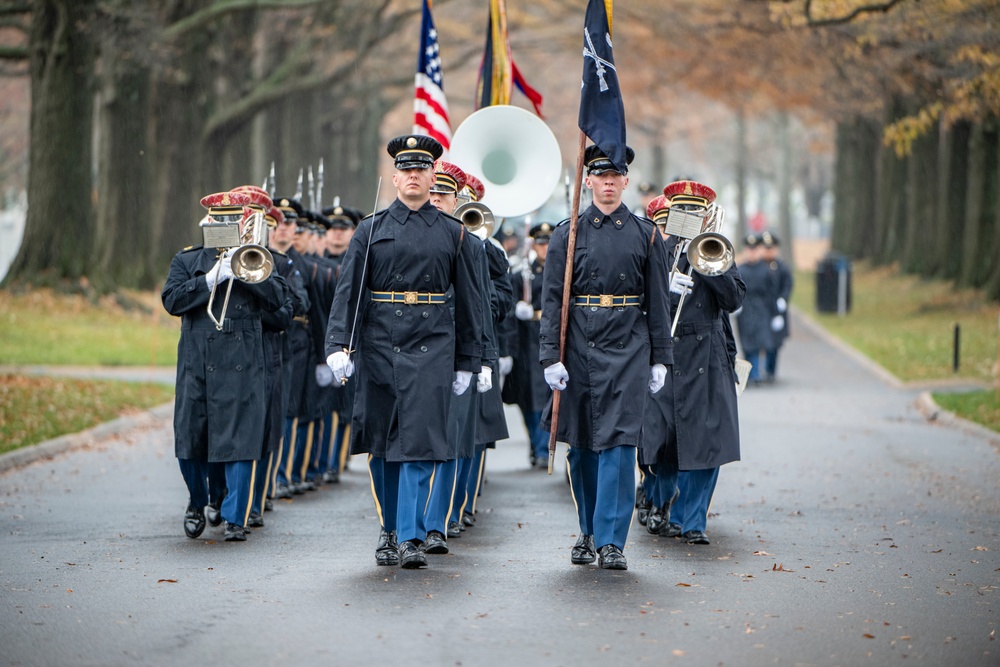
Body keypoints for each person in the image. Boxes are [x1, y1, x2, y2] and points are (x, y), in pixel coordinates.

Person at [325, 134, 483, 569]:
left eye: (422, 169)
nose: (413, 176)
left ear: (433, 176)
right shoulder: (370, 229)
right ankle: (389, 529)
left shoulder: (454, 234)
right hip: (379, 345)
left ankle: (411, 536)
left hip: (432, 346)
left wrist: (470, 360)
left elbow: (471, 302)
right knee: (382, 444)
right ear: (394, 177)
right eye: (406, 169)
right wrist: (339, 344)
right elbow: (349, 292)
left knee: (417, 444)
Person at [539, 144, 673, 571]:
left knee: (618, 446)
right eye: (601, 175)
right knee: (582, 450)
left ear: (626, 181)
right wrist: (549, 357)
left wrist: (660, 359)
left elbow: (658, 301)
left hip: (629, 347)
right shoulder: (567, 233)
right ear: (589, 180)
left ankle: (612, 541)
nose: (609, 182)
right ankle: (589, 531)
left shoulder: (646, 234)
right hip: (578, 348)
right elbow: (553, 300)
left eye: (616, 176)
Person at [162, 191, 288, 541]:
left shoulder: (259, 260)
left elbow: (280, 301)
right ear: (209, 223)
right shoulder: (187, 261)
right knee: (191, 439)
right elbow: (171, 299)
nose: (226, 226)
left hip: (243, 361)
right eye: (220, 220)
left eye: (234, 219)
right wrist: (210, 279)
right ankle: (198, 500)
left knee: (241, 441)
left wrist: (250, 272)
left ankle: (235, 516)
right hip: (199, 358)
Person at [639, 184, 745, 546]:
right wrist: (664, 287)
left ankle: (693, 521)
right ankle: (662, 506)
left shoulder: (717, 250)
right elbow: (638, 305)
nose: (689, 219)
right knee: (665, 440)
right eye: (682, 212)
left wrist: (710, 267)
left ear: (705, 215)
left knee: (707, 440)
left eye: (695, 212)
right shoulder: (655, 249)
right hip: (668, 352)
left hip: (707, 354)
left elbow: (733, 299)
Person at [504, 222, 554, 468]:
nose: (545, 248)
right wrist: (517, 309)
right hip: (528, 339)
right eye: (541, 243)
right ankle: (536, 444)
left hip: (551, 334)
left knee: (547, 394)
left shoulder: (562, 271)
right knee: (528, 397)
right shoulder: (522, 273)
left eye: (548, 243)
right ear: (534, 244)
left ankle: (543, 448)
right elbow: (508, 305)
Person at [734, 233, 775, 385]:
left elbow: (771, 292)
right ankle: (749, 374)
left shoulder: (766, 269)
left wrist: (774, 312)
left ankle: (755, 374)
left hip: (761, 309)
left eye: (754, 249)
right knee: (746, 342)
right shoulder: (740, 269)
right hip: (744, 309)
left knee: (758, 342)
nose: (751, 252)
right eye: (749, 249)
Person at [761, 230, 793, 382]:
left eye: (771, 248)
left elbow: (787, 285)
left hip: (776, 311)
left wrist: (783, 300)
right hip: (762, 310)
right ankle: (760, 371)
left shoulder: (781, 267)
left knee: (774, 343)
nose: (768, 251)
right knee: (760, 341)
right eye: (766, 248)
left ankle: (770, 371)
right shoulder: (758, 266)